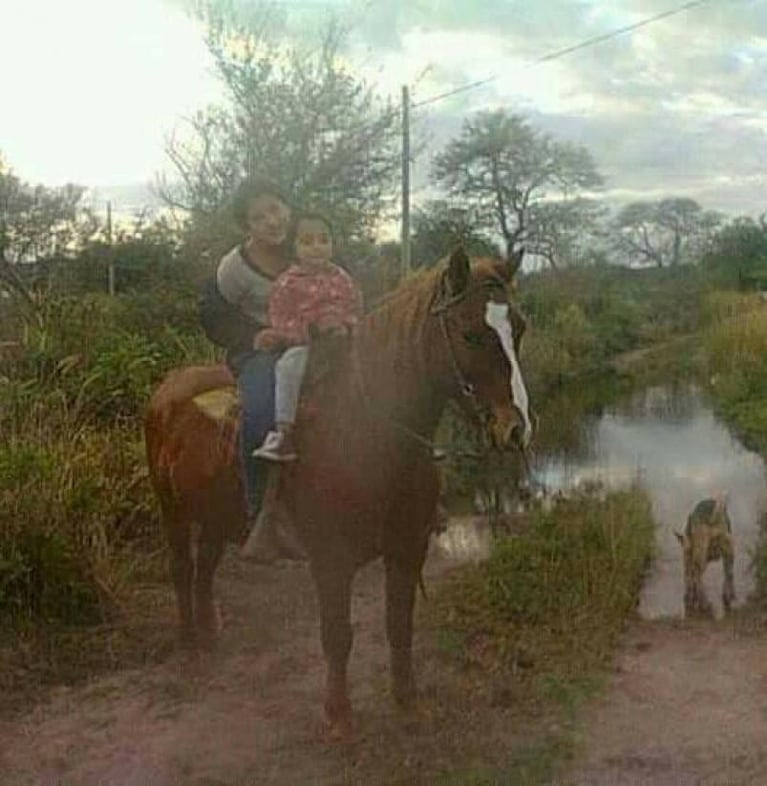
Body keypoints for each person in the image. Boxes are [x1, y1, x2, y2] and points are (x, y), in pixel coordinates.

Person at [198, 179, 303, 562]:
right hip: (260, 354)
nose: (271, 221)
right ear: (248, 227)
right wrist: (254, 334)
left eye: (275, 209)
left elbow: (341, 289)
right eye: (259, 217)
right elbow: (212, 313)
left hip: (314, 348)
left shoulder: (308, 247)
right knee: (261, 412)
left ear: (287, 208)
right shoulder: (235, 268)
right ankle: (263, 516)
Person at [252, 213, 364, 462]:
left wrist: (345, 325)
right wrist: (311, 329)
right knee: (288, 367)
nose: (317, 247)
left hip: (344, 341)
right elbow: (280, 319)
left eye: (324, 240)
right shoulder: (287, 283)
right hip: (307, 345)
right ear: (294, 247)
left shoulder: (343, 278)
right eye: (307, 241)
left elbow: (355, 308)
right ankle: (284, 432)